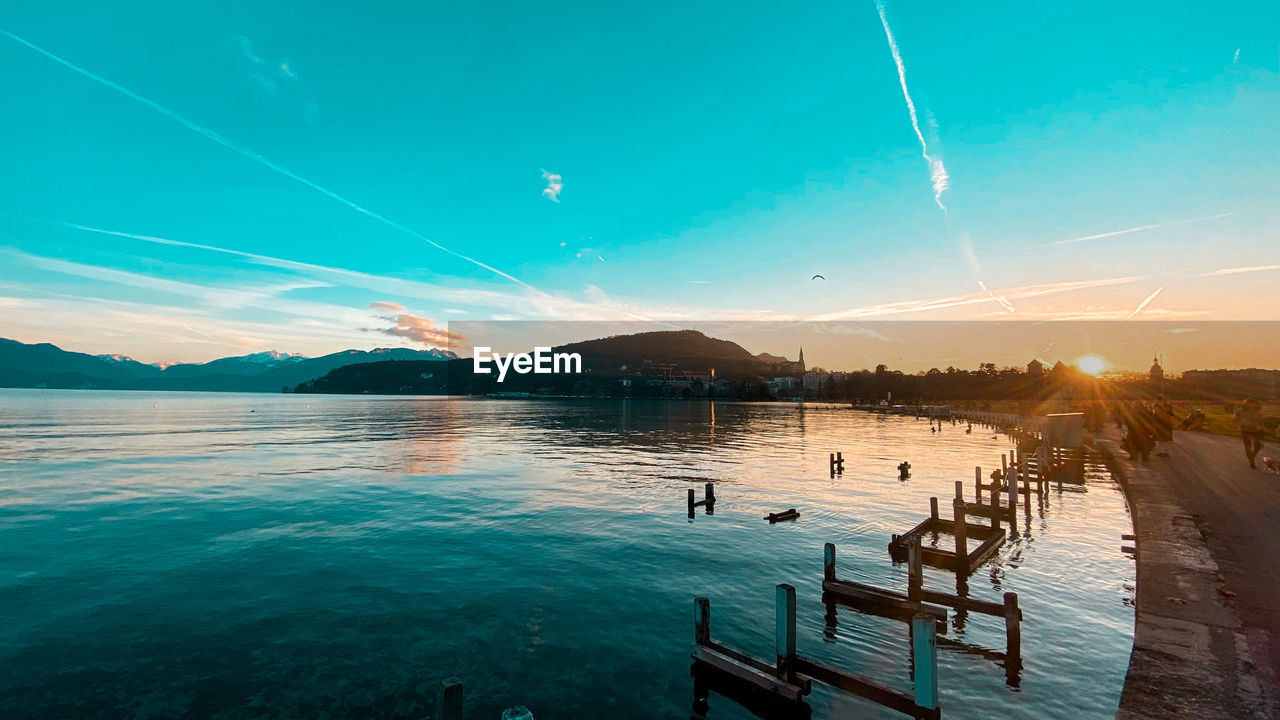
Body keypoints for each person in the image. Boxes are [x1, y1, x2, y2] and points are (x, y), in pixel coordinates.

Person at [1233, 398, 1266, 469]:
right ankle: (1252, 462)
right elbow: (1235, 419)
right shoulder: (1240, 411)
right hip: (1246, 431)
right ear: (1244, 404)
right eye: (1247, 403)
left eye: (1250, 403)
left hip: (1256, 431)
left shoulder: (1257, 412)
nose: (1249, 404)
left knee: (1258, 446)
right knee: (1248, 447)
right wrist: (1239, 425)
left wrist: (1262, 428)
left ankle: (1251, 457)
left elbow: (1261, 421)